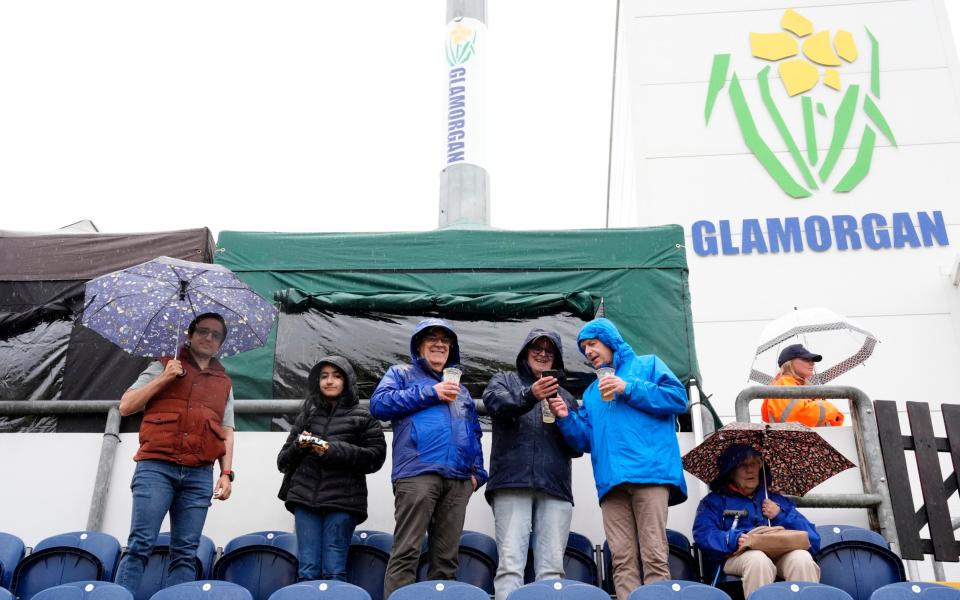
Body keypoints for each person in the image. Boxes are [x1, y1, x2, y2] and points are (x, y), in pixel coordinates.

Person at [548, 318, 687, 600]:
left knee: (654, 555)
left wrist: (628, 387)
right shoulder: (590, 392)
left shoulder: (648, 365)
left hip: (651, 474)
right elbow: (585, 440)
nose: (587, 351)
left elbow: (677, 399)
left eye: (592, 344)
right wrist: (565, 418)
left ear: (610, 342)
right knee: (621, 561)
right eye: (584, 347)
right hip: (611, 482)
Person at [115, 312, 236, 594]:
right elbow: (126, 406)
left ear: (221, 343)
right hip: (156, 467)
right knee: (140, 544)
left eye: (216, 335)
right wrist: (165, 377)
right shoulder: (162, 365)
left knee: (185, 552)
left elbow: (227, 430)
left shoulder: (224, 382)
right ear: (190, 335)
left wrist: (227, 473)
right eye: (203, 331)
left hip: (199, 474)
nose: (208, 337)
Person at [370, 318, 488, 599]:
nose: (439, 344)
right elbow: (379, 405)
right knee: (407, 552)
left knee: (446, 560)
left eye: (445, 340)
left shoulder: (463, 390)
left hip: (459, 480)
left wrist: (477, 475)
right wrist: (430, 393)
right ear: (419, 346)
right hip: (417, 474)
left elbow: (474, 432)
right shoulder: (401, 374)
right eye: (432, 338)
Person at [482, 329, 581, 600]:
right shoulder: (504, 380)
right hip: (512, 483)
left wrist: (565, 418)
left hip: (556, 488)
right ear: (525, 352)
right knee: (510, 566)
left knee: (551, 570)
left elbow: (577, 447)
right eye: (537, 348)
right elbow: (495, 404)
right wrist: (530, 395)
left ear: (556, 360)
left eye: (549, 351)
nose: (542, 354)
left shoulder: (567, 397)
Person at [277, 356, 387, 581]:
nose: (329, 381)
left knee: (334, 570)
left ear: (347, 381)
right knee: (307, 571)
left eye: (337, 376)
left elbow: (376, 457)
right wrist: (300, 445)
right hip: (305, 500)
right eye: (324, 376)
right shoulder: (307, 414)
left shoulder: (363, 417)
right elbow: (282, 461)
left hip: (344, 502)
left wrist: (331, 449)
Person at [692, 444, 821, 598]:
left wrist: (780, 515)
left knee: (802, 559)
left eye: (754, 463)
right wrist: (734, 539)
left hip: (779, 552)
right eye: (743, 465)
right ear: (730, 471)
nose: (750, 470)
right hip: (736, 556)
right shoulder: (713, 502)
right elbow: (703, 535)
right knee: (758, 560)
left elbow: (812, 539)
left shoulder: (775, 500)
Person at [761, 344, 844, 427]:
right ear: (789, 363)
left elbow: (835, 420)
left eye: (812, 360)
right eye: (806, 359)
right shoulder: (783, 384)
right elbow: (798, 417)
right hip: (793, 438)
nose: (812, 363)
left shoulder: (801, 387)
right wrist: (828, 408)